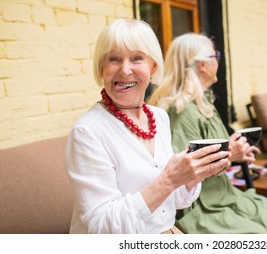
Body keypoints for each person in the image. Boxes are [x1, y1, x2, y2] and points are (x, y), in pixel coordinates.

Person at [65, 19, 231, 234]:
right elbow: (101, 228)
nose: (125, 70)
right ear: (101, 67)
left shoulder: (159, 117)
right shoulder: (87, 132)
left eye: (137, 58)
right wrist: (169, 179)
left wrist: (192, 174)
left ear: (153, 66)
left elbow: (175, 202)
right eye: (114, 59)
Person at [148, 33, 267, 234]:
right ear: (203, 65)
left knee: (266, 215)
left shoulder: (202, 102)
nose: (218, 61)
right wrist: (230, 155)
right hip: (201, 205)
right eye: (216, 56)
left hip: (221, 193)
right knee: (264, 230)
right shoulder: (182, 111)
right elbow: (183, 172)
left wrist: (235, 153)